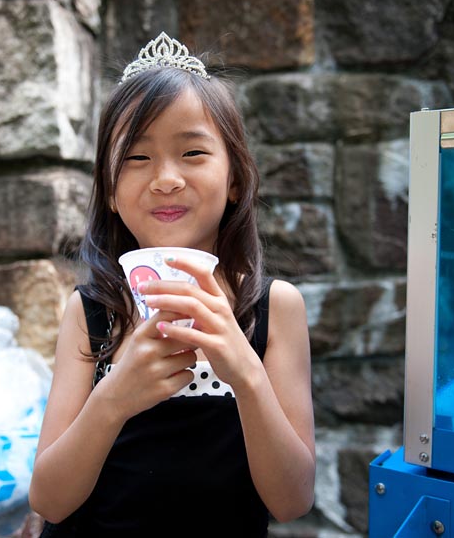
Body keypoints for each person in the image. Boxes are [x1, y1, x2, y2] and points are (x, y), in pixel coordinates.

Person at [29, 32, 315, 537]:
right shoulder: (94, 310)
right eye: (137, 158)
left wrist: (245, 374)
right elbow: (49, 500)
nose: (165, 178)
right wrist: (114, 398)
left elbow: (292, 501)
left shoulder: (273, 308)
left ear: (234, 181)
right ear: (111, 191)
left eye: (192, 153)